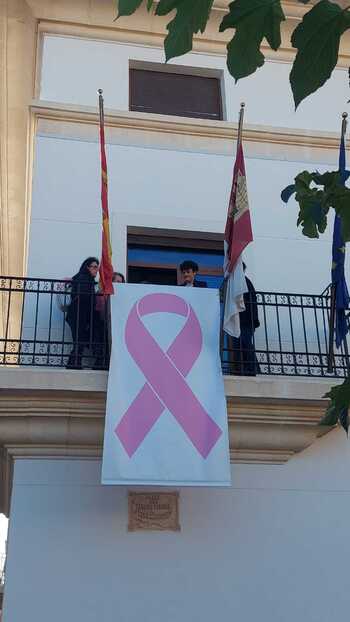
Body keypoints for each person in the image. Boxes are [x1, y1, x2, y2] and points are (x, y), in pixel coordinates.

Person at [66, 257, 103, 369]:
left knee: (80, 340)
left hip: (80, 315)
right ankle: (74, 364)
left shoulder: (87, 279)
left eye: (97, 267)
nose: (97, 270)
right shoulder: (83, 278)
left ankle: (74, 363)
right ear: (87, 267)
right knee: (79, 340)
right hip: (78, 315)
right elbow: (84, 297)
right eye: (94, 267)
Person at [232, 262, 260, 376]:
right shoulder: (240, 282)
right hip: (241, 321)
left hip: (246, 321)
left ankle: (251, 369)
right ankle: (242, 369)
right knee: (240, 344)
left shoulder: (244, 282)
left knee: (245, 344)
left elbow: (248, 304)